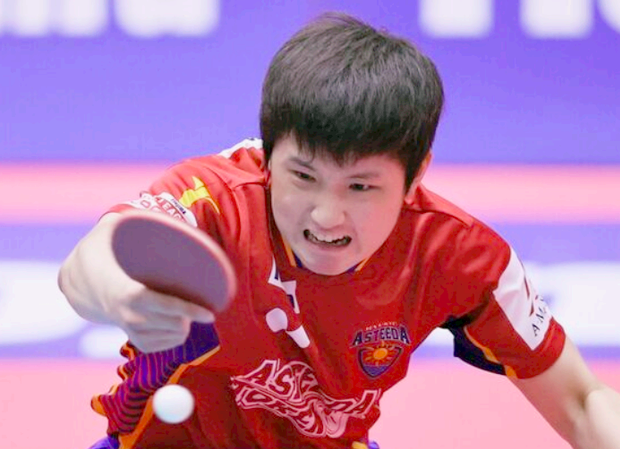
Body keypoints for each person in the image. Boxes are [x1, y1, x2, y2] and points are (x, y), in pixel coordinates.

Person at [58, 12, 620, 449]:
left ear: (415, 175)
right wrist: (121, 296)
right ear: (268, 153)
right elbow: (86, 265)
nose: (326, 216)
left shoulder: (458, 256)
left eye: (360, 187)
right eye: (303, 177)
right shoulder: (215, 202)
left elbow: (581, 400)